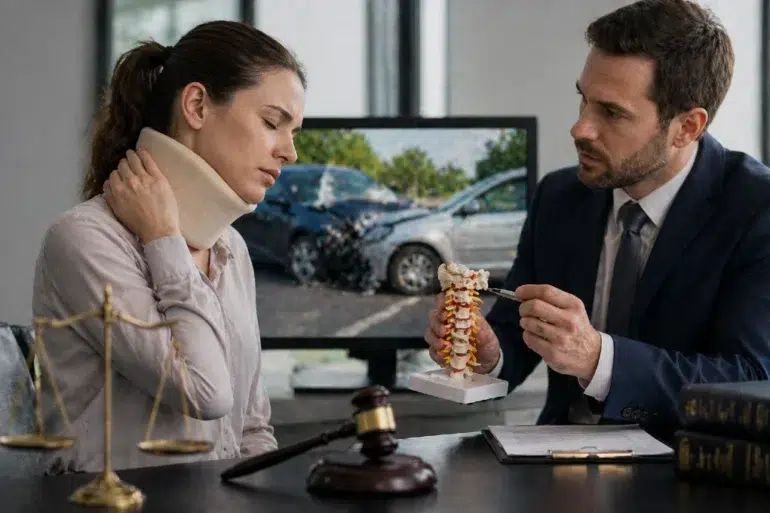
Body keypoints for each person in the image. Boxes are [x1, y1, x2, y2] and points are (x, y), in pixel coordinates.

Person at [425, 0, 770, 442]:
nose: (580, 128)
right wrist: (488, 354)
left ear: (687, 126)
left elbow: (750, 380)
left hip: (681, 471)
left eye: (611, 113)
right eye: (583, 100)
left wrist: (597, 360)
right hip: (549, 466)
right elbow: (514, 338)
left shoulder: (756, 209)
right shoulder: (559, 197)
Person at [31, 20, 305, 473]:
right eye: (273, 122)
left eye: (294, 131)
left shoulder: (230, 249)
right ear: (197, 105)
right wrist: (164, 239)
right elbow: (207, 392)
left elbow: (251, 429)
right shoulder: (84, 240)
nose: (290, 152)